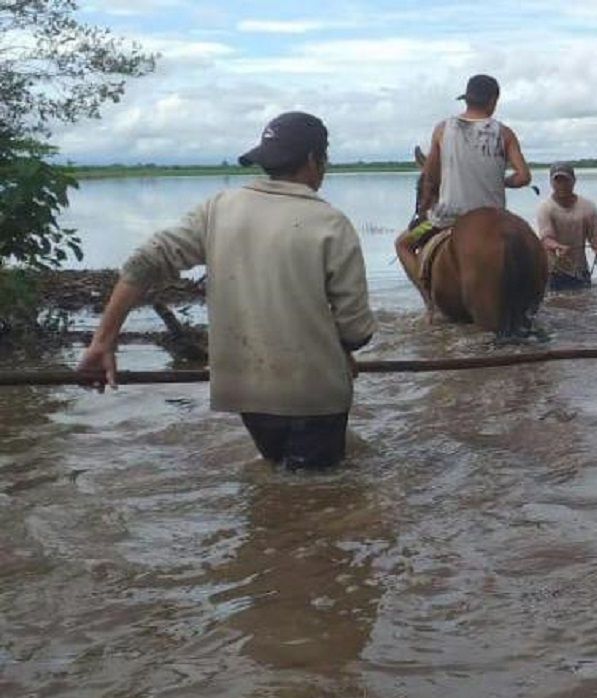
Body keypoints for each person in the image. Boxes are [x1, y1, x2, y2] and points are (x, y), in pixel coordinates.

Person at [77, 112, 377, 470]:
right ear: (314, 160)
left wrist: (103, 341)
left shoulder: (219, 208)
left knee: (279, 482)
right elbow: (355, 329)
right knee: (316, 496)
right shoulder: (331, 223)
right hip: (314, 395)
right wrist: (344, 349)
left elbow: (143, 263)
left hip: (246, 392)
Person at [396, 74, 532, 304]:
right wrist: (501, 181)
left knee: (402, 244)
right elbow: (524, 177)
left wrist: (426, 204)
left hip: (447, 218)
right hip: (494, 218)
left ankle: (430, 303)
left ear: (467, 100)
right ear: (493, 101)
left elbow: (430, 177)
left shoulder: (442, 130)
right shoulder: (505, 133)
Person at [536, 162, 597, 289]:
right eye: (558, 181)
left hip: (580, 270)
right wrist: (558, 246)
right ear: (551, 183)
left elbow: (595, 236)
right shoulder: (545, 208)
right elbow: (546, 239)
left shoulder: (588, 207)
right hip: (553, 271)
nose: (562, 185)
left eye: (566, 180)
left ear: (574, 181)